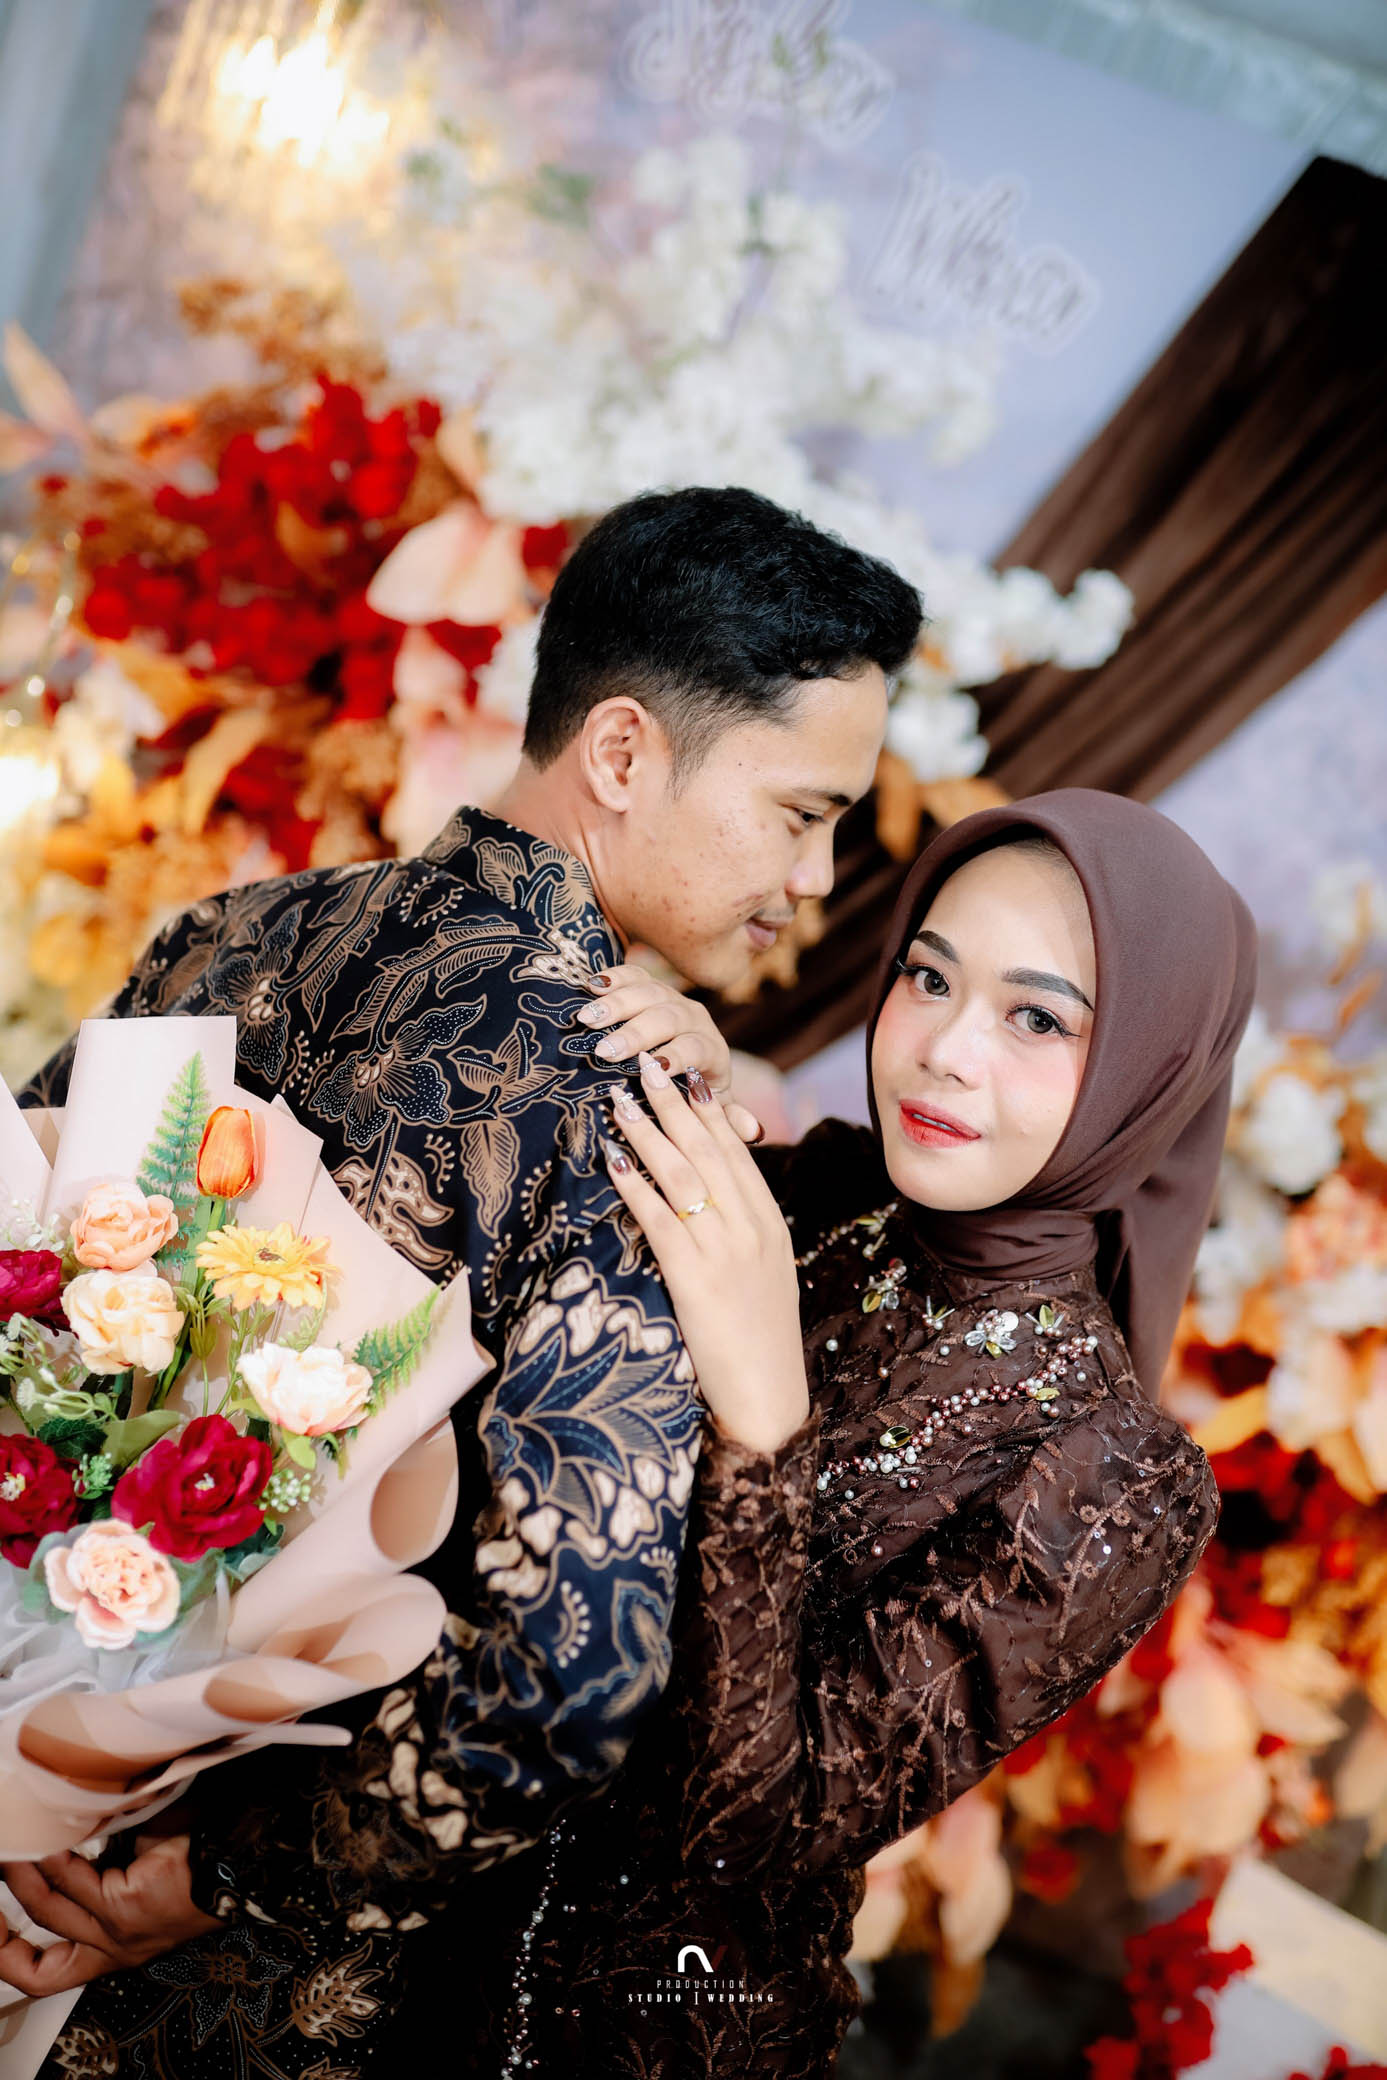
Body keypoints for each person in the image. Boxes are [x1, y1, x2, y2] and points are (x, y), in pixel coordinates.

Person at [0, 485, 922, 2077]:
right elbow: (568, 1679)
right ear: (622, 753)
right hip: (205, 1988)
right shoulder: (627, 1118)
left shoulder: (225, 932)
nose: (823, 872)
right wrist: (208, 1882)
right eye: (800, 811)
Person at [423, 788, 1255, 2077]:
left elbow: (754, 1832)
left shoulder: (1111, 1477)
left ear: (1149, 1071)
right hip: (423, 1907)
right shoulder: (826, 1188)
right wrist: (664, 1080)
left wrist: (767, 1423)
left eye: (1038, 1018)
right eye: (929, 976)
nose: (946, 1050)